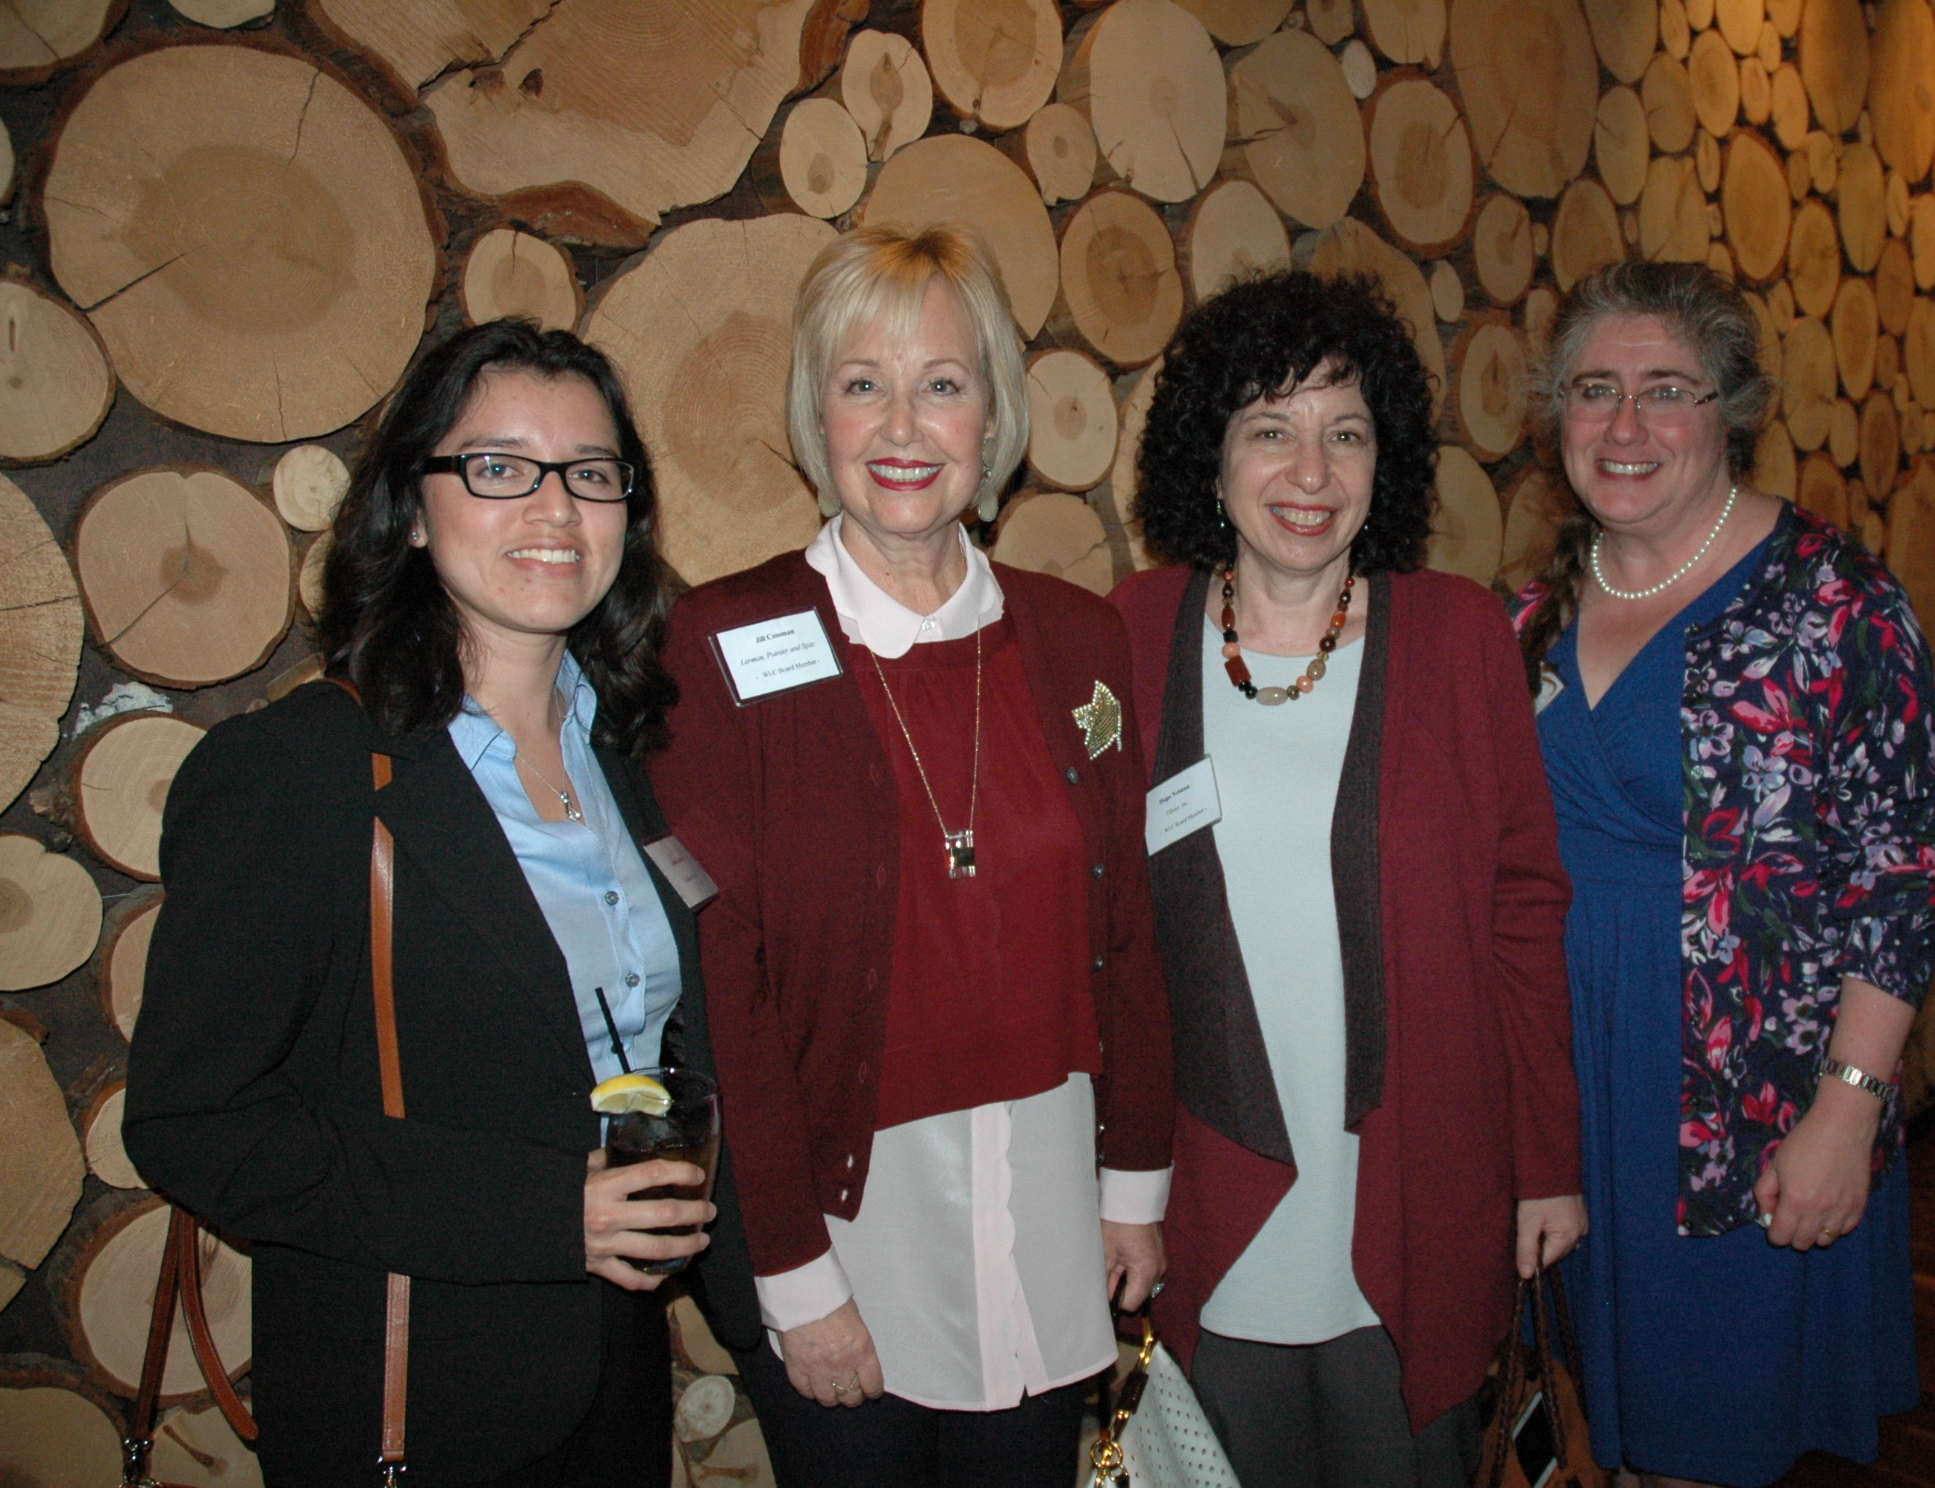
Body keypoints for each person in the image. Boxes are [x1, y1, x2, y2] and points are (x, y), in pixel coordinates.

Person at [125, 321, 752, 1486]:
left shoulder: (628, 750)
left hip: (615, 1383)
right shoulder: (301, 773)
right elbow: (194, 1124)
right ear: (411, 507)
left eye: (590, 473)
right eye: (499, 467)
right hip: (418, 1402)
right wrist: (544, 1213)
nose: (554, 508)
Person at [648, 223, 1173, 1488]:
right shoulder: (719, 647)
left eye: (940, 383)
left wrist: (1133, 1185)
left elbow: (1128, 929)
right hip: (845, 1220)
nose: (901, 426)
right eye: (860, 383)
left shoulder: (1078, 638)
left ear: (991, 417)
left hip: (1049, 1201)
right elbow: (726, 992)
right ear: (813, 413)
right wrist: (790, 1271)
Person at [1108, 270, 1586, 1488]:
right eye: (1269, 428)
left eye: (1346, 432)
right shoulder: (1131, 634)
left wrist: (1545, 1163)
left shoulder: (1459, 639)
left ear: (1387, 460)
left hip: (1415, 1180)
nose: (1309, 473)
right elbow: (1095, 932)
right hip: (1206, 1187)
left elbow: (1522, 915)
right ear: (1210, 455)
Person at [1511, 260, 1935, 1488]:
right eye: (1593, 390)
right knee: (1597, 1440)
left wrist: (1846, 1110)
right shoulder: (1529, 611)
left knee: (1702, 1449)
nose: (1624, 425)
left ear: (1730, 410)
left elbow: (1905, 869)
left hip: (1740, 1110)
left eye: (1666, 390)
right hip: (1566, 1095)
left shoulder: (1834, 602)